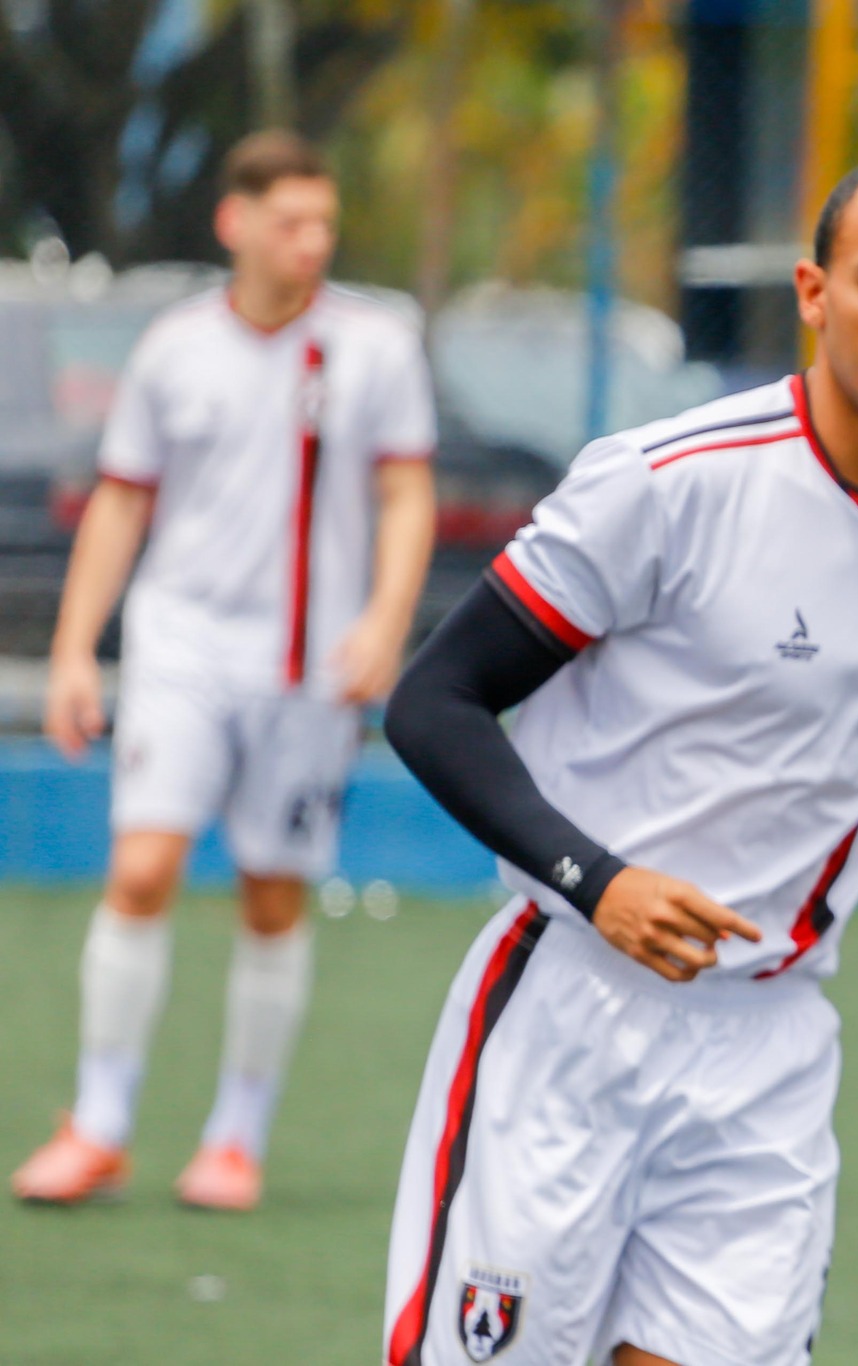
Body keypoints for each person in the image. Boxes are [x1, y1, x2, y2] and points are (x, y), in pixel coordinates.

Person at [377, 157, 858, 1366]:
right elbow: (435, 703)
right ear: (815, 292)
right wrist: (598, 882)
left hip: (770, 1050)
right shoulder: (666, 482)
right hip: (570, 1007)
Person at [13, 130, 437, 1212]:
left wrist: (385, 621)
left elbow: (405, 495)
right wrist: (75, 649)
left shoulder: (376, 347)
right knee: (142, 868)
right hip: (183, 648)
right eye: (290, 222)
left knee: (271, 891)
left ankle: (235, 1139)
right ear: (234, 222)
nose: (312, 243)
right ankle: (99, 1123)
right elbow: (121, 501)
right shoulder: (174, 349)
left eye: (324, 224)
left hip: (310, 665)